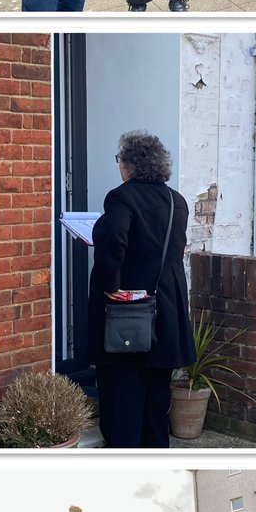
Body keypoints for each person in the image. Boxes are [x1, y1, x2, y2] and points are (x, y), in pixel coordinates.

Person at [88, 131, 195, 449]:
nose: (119, 165)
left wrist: (110, 287)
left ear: (130, 165)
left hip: (130, 310)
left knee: (123, 396)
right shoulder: (177, 201)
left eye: (120, 160)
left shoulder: (122, 197)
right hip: (168, 309)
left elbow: (113, 244)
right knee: (156, 398)